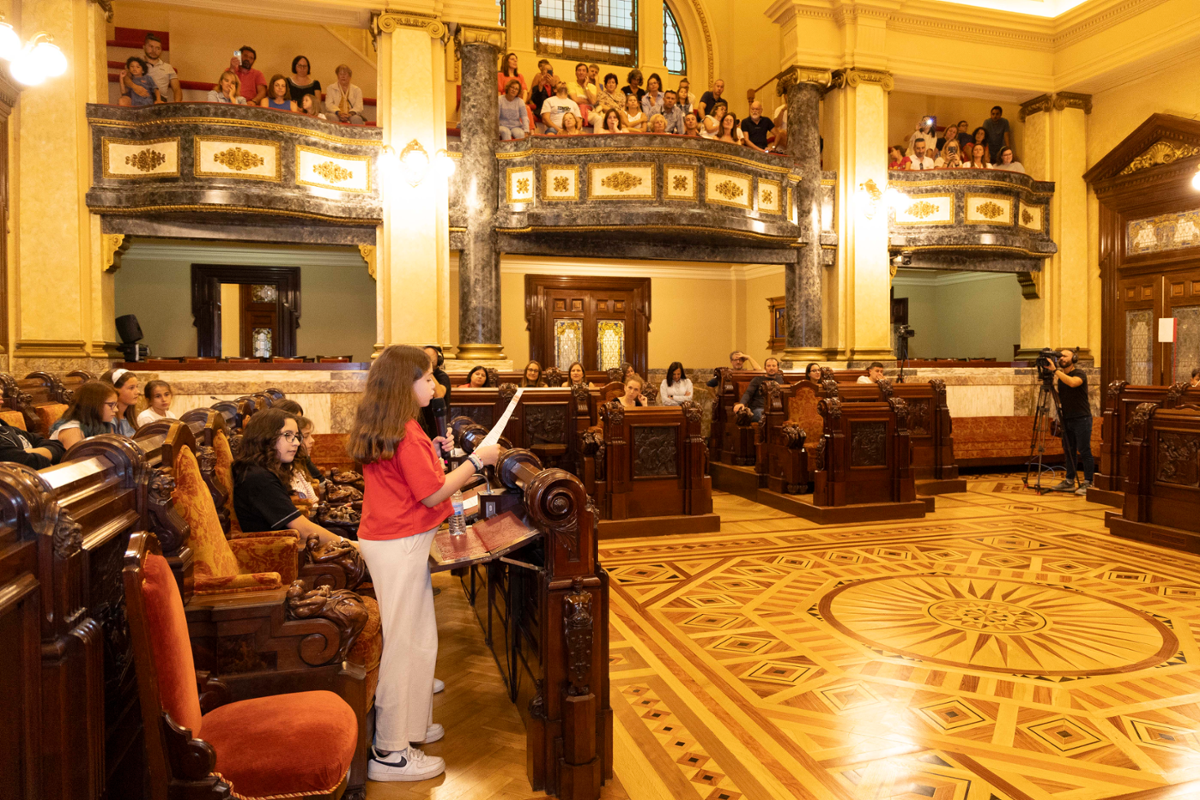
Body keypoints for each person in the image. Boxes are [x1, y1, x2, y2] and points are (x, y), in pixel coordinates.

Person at [346, 346, 500, 781]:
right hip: (398, 541)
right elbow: (432, 495)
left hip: (392, 536)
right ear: (404, 383)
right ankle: (390, 752)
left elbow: (410, 478)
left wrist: (432, 451)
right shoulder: (405, 431)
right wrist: (476, 462)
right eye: (427, 378)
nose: (434, 385)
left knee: (419, 637)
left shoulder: (398, 427)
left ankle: (411, 726)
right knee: (402, 644)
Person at [231, 409, 344, 546]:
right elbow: (303, 529)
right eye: (288, 435)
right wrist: (348, 544)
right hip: (276, 552)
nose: (296, 442)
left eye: (296, 436)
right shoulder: (258, 477)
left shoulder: (263, 470)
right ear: (265, 437)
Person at [1050, 349, 1094, 495]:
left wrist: (1055, 371)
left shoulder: (1079, 373)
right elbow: (1061, 398)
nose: (1062, 358)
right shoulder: (1061, 377)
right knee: (1069, 451)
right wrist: (1050, 386)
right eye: (1060, 356)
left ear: (1073, 358)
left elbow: (1073, 384)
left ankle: (1088, 482)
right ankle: (1069, 481)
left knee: (1084, 450)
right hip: (1067, 419)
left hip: (1082, 418)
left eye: (1065, 356)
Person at [49, 381, 118, 449]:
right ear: (93, 405)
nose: (116, 409)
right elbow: (78, 460)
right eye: (111, 405)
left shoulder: (103, 425)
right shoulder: (72, 431)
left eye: (116, 404)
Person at [126, 33, 180, 103]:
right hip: (138, 95)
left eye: (157, 48)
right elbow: (126, 78)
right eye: (151, 47)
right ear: (144, 47)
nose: (154, 50)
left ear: (161, 50)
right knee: (124, 100)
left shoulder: (168, 67)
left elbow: (177, 89)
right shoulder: (136, 64)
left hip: (159, 99)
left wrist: (176, 104)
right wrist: (135, 87)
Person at [734, 357, 787, 423]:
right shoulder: (757, 380)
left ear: (777, 368)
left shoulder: (780, 380)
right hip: (758, 409)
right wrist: (742, 403)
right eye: (768, 366)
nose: (771, 368)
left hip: (775, 409)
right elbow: (748, 393)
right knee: (763, 416)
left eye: (773, 366)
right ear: (765, 368)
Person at [0, 416, 64, 468]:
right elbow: (23, 462)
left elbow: (58, 447)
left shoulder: (8, 428)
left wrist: (25, 452)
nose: (2, 401)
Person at [419, 346, 452, 440]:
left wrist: (428, 370)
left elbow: (439, 394)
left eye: (429, 357)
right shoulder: (419, 375)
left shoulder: (442, 376)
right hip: (422, 423)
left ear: (439, 360)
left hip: (437, 424)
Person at [101, 368, 139, 436]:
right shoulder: (109, 419)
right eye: (131, 388)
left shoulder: (129, 418)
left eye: (137, 387)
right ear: (114, 391)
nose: (137, 392)